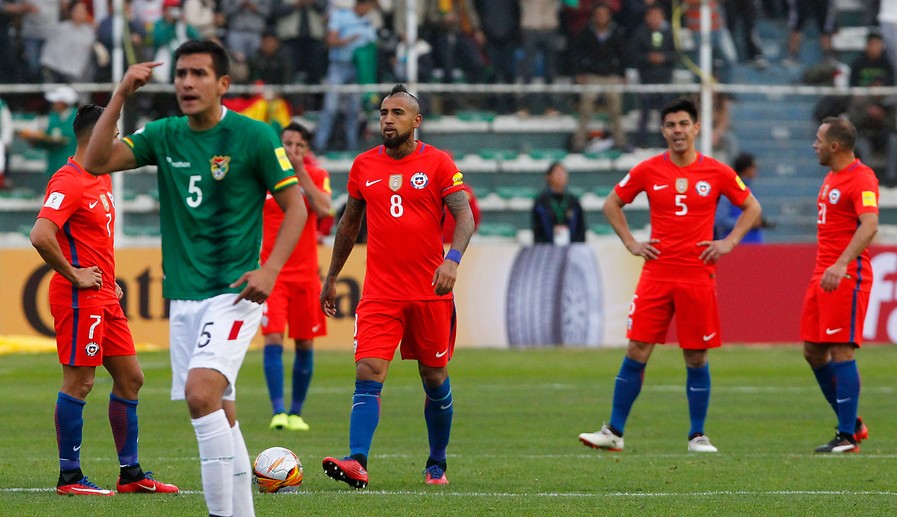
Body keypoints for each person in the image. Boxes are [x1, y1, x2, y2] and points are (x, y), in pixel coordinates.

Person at [82, 40, 307, 516]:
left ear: (223, 84)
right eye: (181, 73)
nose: (187, 82)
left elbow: (296, 208)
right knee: (222, 412)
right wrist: (120, 93)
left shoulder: (255, 136)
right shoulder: (164, 135)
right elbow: (95, 161)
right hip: (185, 297)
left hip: (234, 292)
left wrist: (270, 269)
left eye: (199, 73)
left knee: (200, 394)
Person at [578, 97, 762, 453]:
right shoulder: (648, 170)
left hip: (697, 275)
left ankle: (698, 435)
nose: (677, 131)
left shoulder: (717, 171)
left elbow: (752, 206)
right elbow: (611, 204)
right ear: (663, 131)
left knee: (696, 356)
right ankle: (614, 431)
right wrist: (631, 242)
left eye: (683, 124)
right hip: (657, 274)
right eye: (670, 125)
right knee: (637, 348)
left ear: (696, 128)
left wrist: (729, 242)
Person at [319, 84, 474, 489]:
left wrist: (451, 261)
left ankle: (436, 462)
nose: (388, 119)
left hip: (429, 292)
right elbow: (349, 225)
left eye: (397, 113)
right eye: (384, 112)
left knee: (434, 377)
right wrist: (333, 275)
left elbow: (465, 217)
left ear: (416, 121)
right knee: (368, 370)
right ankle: (357, 461)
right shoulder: (364, 166)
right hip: (380, 293)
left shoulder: (438, 163)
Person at [30, 104, 179, 497]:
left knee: (131, 379)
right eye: (113, 131)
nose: (118, 139)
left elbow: (90, 240)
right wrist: (75, 273)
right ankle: (70, 477)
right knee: (80, 382)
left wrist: (107, 280)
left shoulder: (101, 179)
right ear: (93, 136)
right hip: (79, 298)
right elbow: (41, 234)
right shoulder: (69, 180)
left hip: (104, 297)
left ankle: (130, 475)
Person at [802, 117, 878, 454]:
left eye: (818, 140)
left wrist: (841, 263)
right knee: (813, 351)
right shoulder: (832, 176)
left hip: (845, 274)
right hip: (823, 274)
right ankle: (852, 422)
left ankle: (846, 436)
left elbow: (870, 224)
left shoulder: (862, 178)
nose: (814, 145)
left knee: (841, 350)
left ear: (834, 145)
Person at [263, 122, 332, 432]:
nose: (291, 150)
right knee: (274, 337)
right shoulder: (264, 175)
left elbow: (326, 208)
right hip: (272, 274)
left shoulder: (316, 176)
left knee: (305, 342)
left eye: (298, 146)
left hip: (305, 276)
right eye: (287, 144)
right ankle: (278, 410)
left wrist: (300, 173)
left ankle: (296, 412)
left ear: (306, 150)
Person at [312, 0, 378, 153]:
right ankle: (320, 144)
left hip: (357, 69)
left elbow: (372, 46)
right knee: (330, 107)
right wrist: (348, 40)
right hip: (338, 66)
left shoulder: (367, 22)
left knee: (354, 110)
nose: (369, 9)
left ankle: (352, 146)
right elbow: (330, 40)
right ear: (361, 4)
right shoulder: (340, 16)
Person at [569, 3, 627, 153]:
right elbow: (577, 54)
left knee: (615, 109)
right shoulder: (586, 32)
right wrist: (579, 73)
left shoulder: (617, 33)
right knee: (585, 108)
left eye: (604, 14)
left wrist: (622, 75)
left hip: (610, 77)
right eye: (598, 14)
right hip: (592, 76)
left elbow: (623, 55)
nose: (601, 17)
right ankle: (578, 142)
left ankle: (620, 142)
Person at [18, 85, 79, 178]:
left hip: (72, 166)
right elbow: (47, 140)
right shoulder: (53, 117)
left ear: (63, 102)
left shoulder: (78, 116)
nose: (53, 103)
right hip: (54, 166)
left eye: (56, 101)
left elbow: (71, 139)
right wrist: (34, 140)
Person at [715, 153, 772, 243]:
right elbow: (720, 220)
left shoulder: (750, 189)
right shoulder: (729, 189)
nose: (756, 170)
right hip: (736, 246)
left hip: (754, 245)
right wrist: (747, 223)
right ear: (746, 169)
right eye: (754, 167)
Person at [532, 161, 587, 244]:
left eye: (563, 172)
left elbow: (581, 228)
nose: (560, 176)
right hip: (548, 247)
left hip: (571, 246)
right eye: (557, 173)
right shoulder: (542, 201)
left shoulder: (573, 200)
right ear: (548, 177)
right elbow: (537, 229)